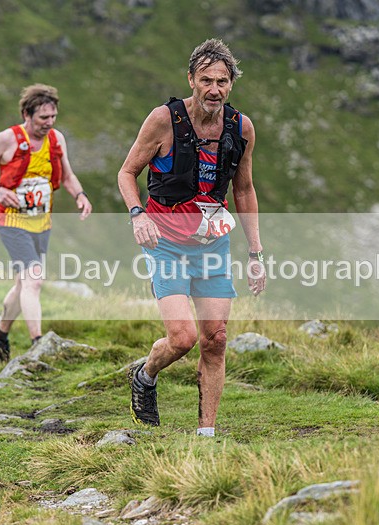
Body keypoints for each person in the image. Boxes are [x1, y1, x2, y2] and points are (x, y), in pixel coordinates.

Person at [117, 39, 266, 437]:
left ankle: (206, 436)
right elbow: (127, 173)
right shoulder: (163, 120)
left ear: (231, 84)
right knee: (182, 338)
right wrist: (137, 215)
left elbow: (244, 190)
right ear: (191, 80)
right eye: (206, 80)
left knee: (215, 338)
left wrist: (255, 253)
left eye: (222, 81)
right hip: (165, 241)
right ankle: (145, 375)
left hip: (212, 243)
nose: (214, 89)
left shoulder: (241, 128)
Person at [0, 84, 92, 363]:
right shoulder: (7, 139)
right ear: (27, 114)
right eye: (43, 118)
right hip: (13, 222)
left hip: (42, 223)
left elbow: (67, 176)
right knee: (34, 280)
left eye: (53, 117)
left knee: (22, 284)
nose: (49, 123)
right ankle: (38, 343)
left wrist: (80, 196)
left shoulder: (56, 139)